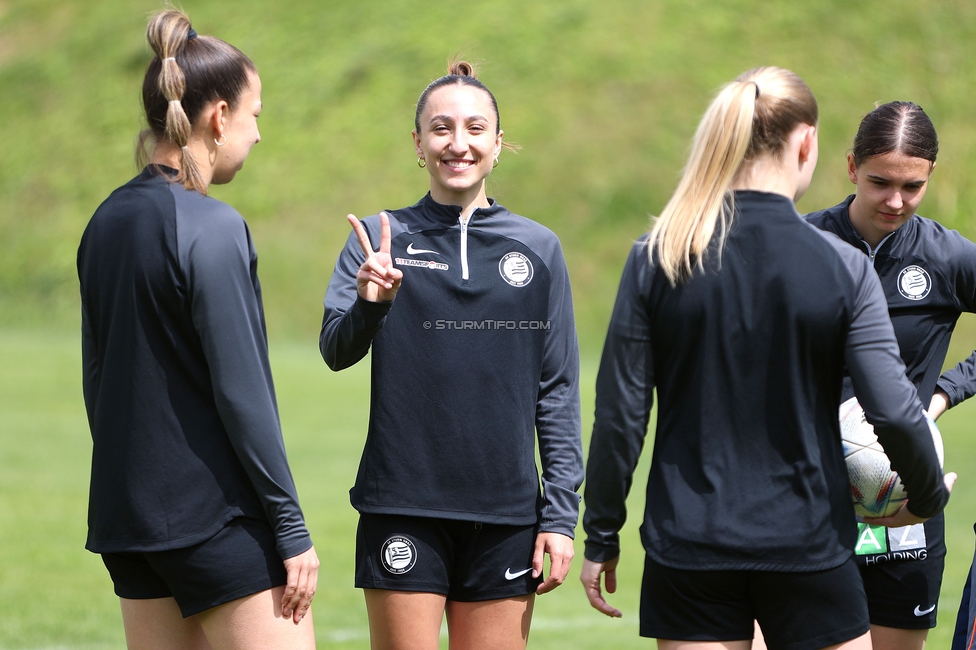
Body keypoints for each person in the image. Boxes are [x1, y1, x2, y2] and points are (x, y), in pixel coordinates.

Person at [579, 67, 954, 650]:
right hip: (808, 545)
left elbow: (620, 419)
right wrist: (926, 497)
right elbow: (895, 412)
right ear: (807, 142)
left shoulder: (657, 257)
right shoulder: (842, 266)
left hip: (689, 548)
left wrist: (602, 533)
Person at [320, 60, 583, 650]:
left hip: (508, 515)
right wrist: (370, 304)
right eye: (440, 129)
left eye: (473, 128)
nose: (457, 144)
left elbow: (558, 386)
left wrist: (560, 516)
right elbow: (335, 351)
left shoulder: (538, 248)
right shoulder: (378, 238)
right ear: (418, 142)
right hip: (403, 504)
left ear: (497, 141)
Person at [77, 9, 317, 649]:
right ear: (218, 117)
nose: (258, 134)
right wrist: (291, 530)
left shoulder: (104, 222)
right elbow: (244, 392)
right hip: (219, 526)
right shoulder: (212, 227)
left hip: (129, 526)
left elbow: (96, 378)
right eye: (255, 114)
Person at [801, 101, 976, 650]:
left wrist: (946, 393)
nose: (895, 201)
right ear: (851, 167)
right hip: (804, 499)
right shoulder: (803, 246)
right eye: (880, 182)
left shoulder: (946, 258)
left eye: (913, 186)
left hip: (905, 500)